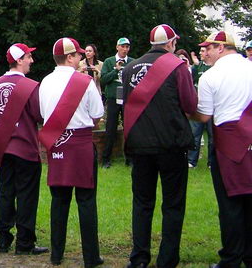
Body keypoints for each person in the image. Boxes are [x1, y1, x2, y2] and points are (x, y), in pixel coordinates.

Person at [121, 24, 196, 268]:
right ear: (172, 43)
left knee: (142, 203)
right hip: (170, 143)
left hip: (139, 143)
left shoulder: (130, 67)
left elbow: (125, 104)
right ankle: (167, 259)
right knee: (173, 204)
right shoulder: (178, 66)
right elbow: (189, 104)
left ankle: (139, 258)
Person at [38, 37, 104, 268]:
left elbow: (42, 114)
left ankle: (56, 254)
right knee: (86, 200)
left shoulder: (44, 82)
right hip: (81, 144)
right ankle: (91, 257)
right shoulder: (84, 81)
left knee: (59, 200)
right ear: (69, 57)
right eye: (77, 54)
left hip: (57, 144)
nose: (80, 58)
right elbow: (98, 113)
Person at [190, 30, 252, 268]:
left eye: (208, 48)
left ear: (221, 48)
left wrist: (187, 111)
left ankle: (231, 257)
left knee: (230, 204)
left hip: (228, 141)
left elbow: (204, 116)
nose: (204, 53)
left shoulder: (210, 76)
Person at [0, 43, 47, 256]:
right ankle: (25, 243)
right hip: (25, 147)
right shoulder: (30, 86)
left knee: (5, 192)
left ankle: (3, 239)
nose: (31, 61)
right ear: (20, 59)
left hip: (3, 148)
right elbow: (38, 115)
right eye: (29, 57)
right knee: (27, 196)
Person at [100, 37, 133, 168]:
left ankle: (130, 158)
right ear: (117, 47)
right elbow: (103, 80)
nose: (125, 49)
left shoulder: (132, 62)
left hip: (127, 100)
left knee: (129, 129)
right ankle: (106, 159)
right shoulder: (109, 61)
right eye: (123, 46)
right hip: (113, 98)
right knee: (110, 129)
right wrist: (116, 70)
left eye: (127, 47)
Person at [186, 47, 214, 169]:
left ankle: (211, 162)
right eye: (200, 51)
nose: (200, 53)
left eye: (203, 51)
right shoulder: (197, 67)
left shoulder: (215, 67)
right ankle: (192, 161)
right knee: (194, 135)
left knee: (212, 136)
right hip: (198, 106)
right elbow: (189, 82)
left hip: (212, 108)